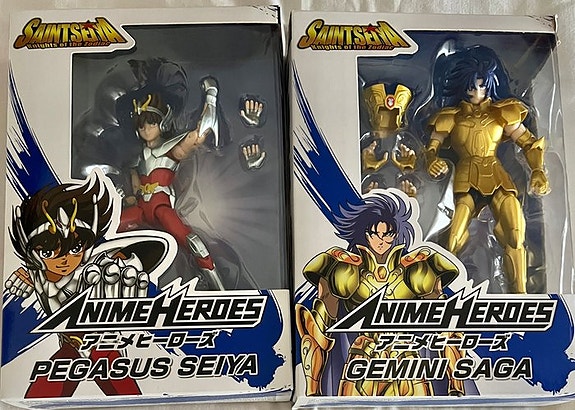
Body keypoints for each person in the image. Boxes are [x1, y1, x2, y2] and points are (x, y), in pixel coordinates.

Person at [295, 190, 464, 397]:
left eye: (387, 234)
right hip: (362, 362)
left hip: (406, 362)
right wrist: (313, 390)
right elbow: (317, 331)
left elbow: (446, 326)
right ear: (366, 234)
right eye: (375, 233)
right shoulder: (343, 268)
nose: (381, 240)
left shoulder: (417, 267)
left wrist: (456, 386)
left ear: (395, 234)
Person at [6, 174, 147, 398]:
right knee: (38, 397)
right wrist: (24, 275)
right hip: (71, 347)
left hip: (102, 346)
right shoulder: (36, 273)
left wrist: (121, 264)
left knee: (128, 398)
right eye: (49, 251)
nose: (64, 259)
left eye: (75, 248)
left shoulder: (92, 269)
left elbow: (132, 255)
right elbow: (33, 274)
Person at [424, 47, 549, 294]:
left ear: (489, 85)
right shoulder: (451, 117)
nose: (477, 92)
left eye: (482, 86)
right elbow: (431, 148)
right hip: (465, 177)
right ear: (463, 87)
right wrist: (430, 160)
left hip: (496, 174)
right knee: (453, 237)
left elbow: (529, 143)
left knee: (514, 231)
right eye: (472, 87)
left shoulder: (502, 114)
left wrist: (537, 170)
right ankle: (438, 291)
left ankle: (520, 294)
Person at [118, 78, 224, 290]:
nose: (146, 129)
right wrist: (124, 197)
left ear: (163, 123)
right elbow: (135, 188)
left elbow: (196, 137)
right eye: (142, 125)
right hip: (142, 209)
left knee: (193, 242)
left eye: (151, 123)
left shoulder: (170, 149)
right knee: (112, 227)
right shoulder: (138, 157)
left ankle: (218, 286)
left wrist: (210, 98)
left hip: (161, 208)